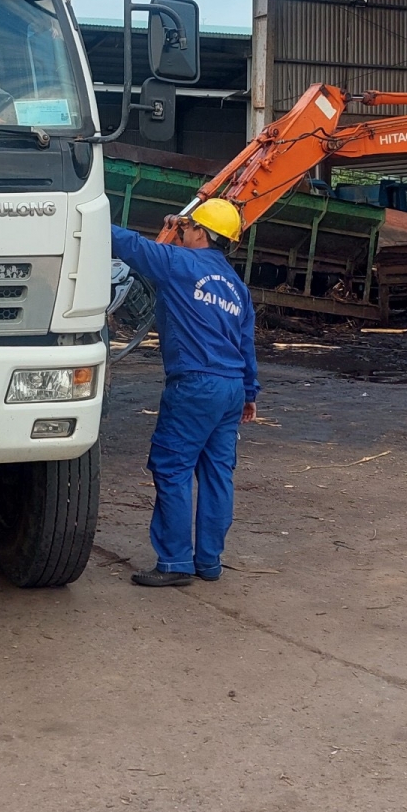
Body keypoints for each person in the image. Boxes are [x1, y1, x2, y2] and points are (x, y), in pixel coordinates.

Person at [111, 199, 259, 587]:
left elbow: (129, 245)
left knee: (172, 467)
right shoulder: (237, 288)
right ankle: (208, 561)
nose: (186, 231)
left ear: (201, 233)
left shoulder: (177, 264)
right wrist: (250, 393)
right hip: (231, 389)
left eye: (190, 226)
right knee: (217, 473)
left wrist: (86, 217)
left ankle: (175, 562)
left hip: (195, 384)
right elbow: (246, 344)